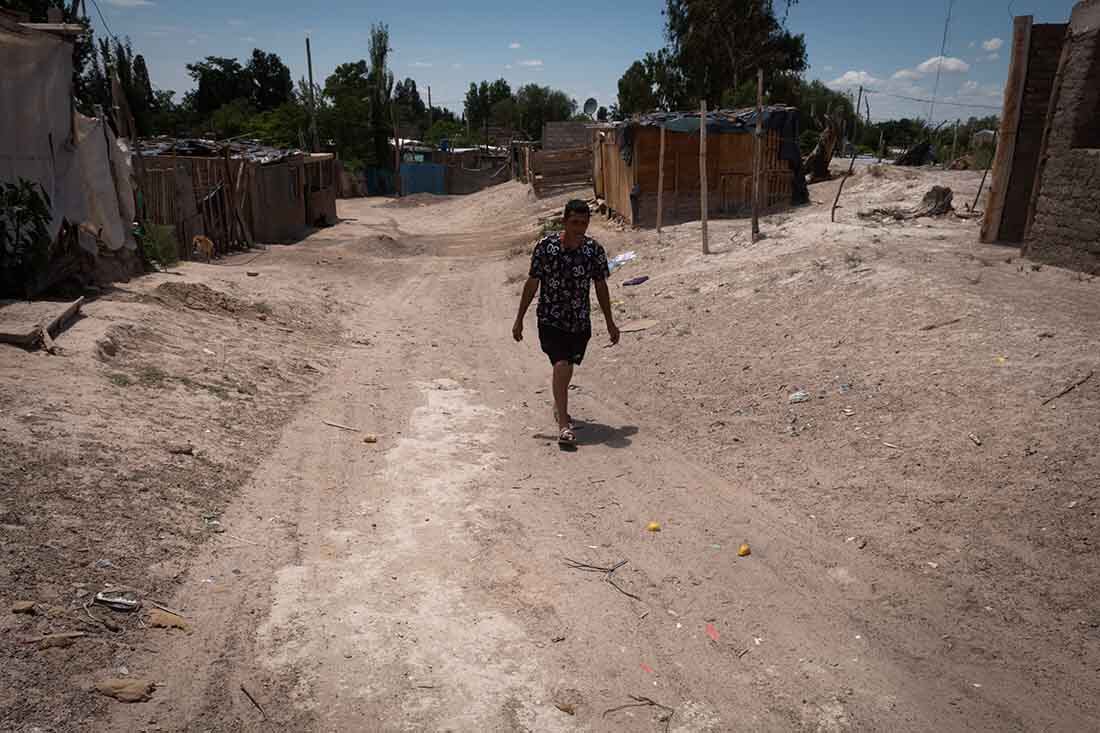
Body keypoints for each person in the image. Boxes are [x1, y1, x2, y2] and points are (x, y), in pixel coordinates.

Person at [513, 199, 619, 445]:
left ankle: (559, 405)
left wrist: (610, 322)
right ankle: (564, 425)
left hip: (580, 322)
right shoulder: (545, 247)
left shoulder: (594, 251)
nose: (579, 228)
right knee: (561, 364)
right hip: (550, 319)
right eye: (574, 223)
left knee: (567, 367)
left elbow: (601, 286)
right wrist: (519, 319)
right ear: (564, 222)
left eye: (583, 223)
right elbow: (532, 282)